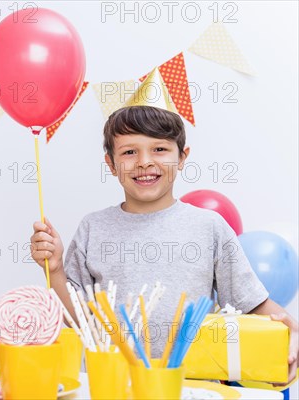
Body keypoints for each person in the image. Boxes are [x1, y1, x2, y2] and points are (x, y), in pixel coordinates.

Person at [30, 105, 298, 385]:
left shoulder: (210, 227)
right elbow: (79, 321)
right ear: (110, 164)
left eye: (159, 149)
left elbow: (251, 303)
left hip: (192, 386)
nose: (144, 162)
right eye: (129, 152)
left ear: (182, 157)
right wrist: (56, 268)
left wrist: (291, 330)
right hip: (114, 384)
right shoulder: (92, 228)